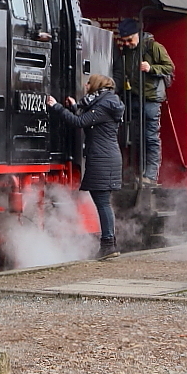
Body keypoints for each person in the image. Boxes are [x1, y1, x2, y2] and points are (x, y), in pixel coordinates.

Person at [47, 74, 125, 260]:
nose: (86, 84)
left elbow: (80, 122)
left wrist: (56, 107)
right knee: (103, 201)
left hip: (102, 158)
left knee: (103, 202)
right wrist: (74, 107)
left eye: (89, 82)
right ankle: (108, 243)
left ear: (96, 85)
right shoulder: (105, 103)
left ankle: (108, 244)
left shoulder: (104, 105)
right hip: (105, 156)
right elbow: (89, 119)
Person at [112, 18, 174, 185]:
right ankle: (136, 173)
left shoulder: (153, 47)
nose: (126, 43)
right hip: (134, 97)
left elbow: (169, 67)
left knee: (150, 137)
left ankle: (151, 175)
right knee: (135, 136)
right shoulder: (128, 51)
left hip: (151, 99)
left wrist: (151, 68)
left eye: (129, 39)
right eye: (124, 40)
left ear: (137, 35)